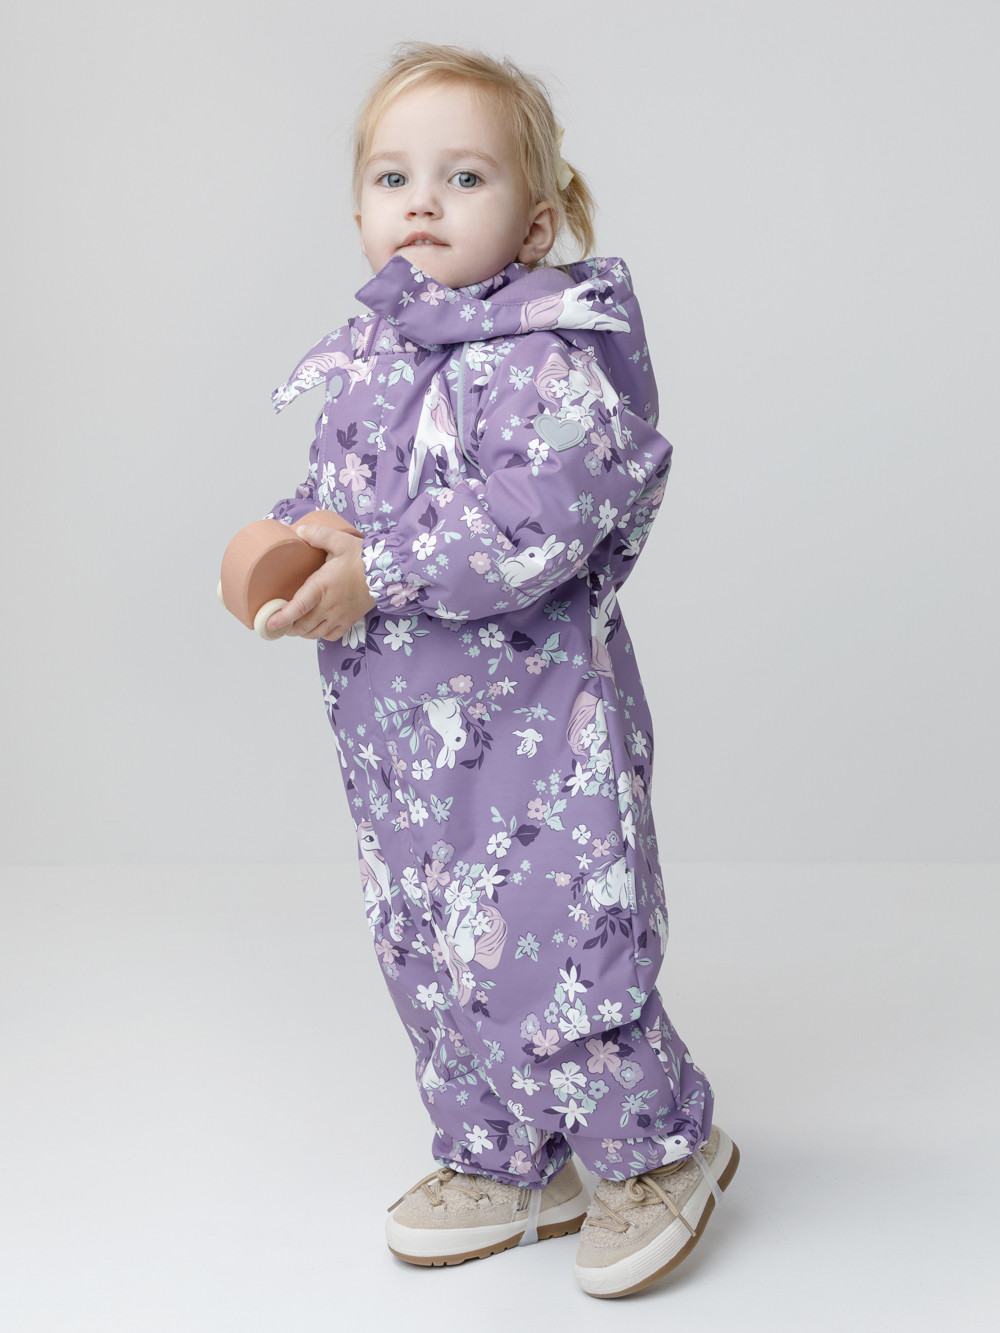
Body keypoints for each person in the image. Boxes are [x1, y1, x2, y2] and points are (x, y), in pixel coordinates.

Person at [253, 41, 738, 1298]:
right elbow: (340, 496)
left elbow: (545, 512)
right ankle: (506, 1152)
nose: (421, 201)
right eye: (392, 177)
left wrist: (382, 568)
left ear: (534, 222)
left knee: (555, 938)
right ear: (359, 210)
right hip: (396, 745)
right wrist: (298, 548)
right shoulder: (366, 360)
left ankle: (656, 1150)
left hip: (536, 732)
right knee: (427, 944)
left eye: (462, 176)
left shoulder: (545, 357)